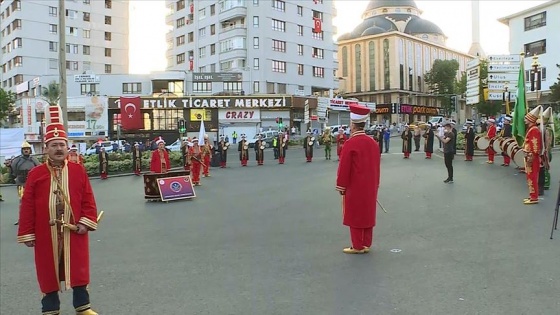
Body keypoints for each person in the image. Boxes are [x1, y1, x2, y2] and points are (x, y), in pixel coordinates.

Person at [17, 105, 99, 315]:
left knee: (78, 268)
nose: (59, 149)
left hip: (74, 230)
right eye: (54, 145)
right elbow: (27, 205)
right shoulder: (36, 173)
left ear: (67, 146)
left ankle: (83, 307)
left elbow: (88, 199)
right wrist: (27, 233)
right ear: (47, 148)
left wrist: (86, 221)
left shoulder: (78, 170)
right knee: (47, 270)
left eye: (62, 144)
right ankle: (51, 309)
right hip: (46, 232)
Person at [336, 104, 380, 254]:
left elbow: (344, 168)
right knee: (368, 212)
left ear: (353, 125)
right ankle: (366, 243)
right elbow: (376, 166)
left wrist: (341, 186)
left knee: (354, 213)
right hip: (371, 185)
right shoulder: (373, 143)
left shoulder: (350, 143)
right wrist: (376, 184)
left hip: (355, 186)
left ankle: (357, 245)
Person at [11, 140, 41, 225]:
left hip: (32, 183)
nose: (26, 150)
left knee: (34, 201)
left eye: (27, 149)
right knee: (22, 201)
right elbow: (14, 170)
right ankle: (21, 219)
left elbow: (39, 170)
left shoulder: (34, 160)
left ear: (30, 150)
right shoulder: (17, 160)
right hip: (21, 182)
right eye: (24, 149)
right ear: (22, 150)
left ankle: (35, 218)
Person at [522, 106, 543, 205]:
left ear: (530, 120)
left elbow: (535, 146)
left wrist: (531, 156)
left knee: (532, 177)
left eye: (526, 118)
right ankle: (532, 196)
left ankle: (534, 197)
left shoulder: (534, 130)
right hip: (529, 157)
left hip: (532, 158)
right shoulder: (531, 129)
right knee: (530, 177)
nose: (524, 120)